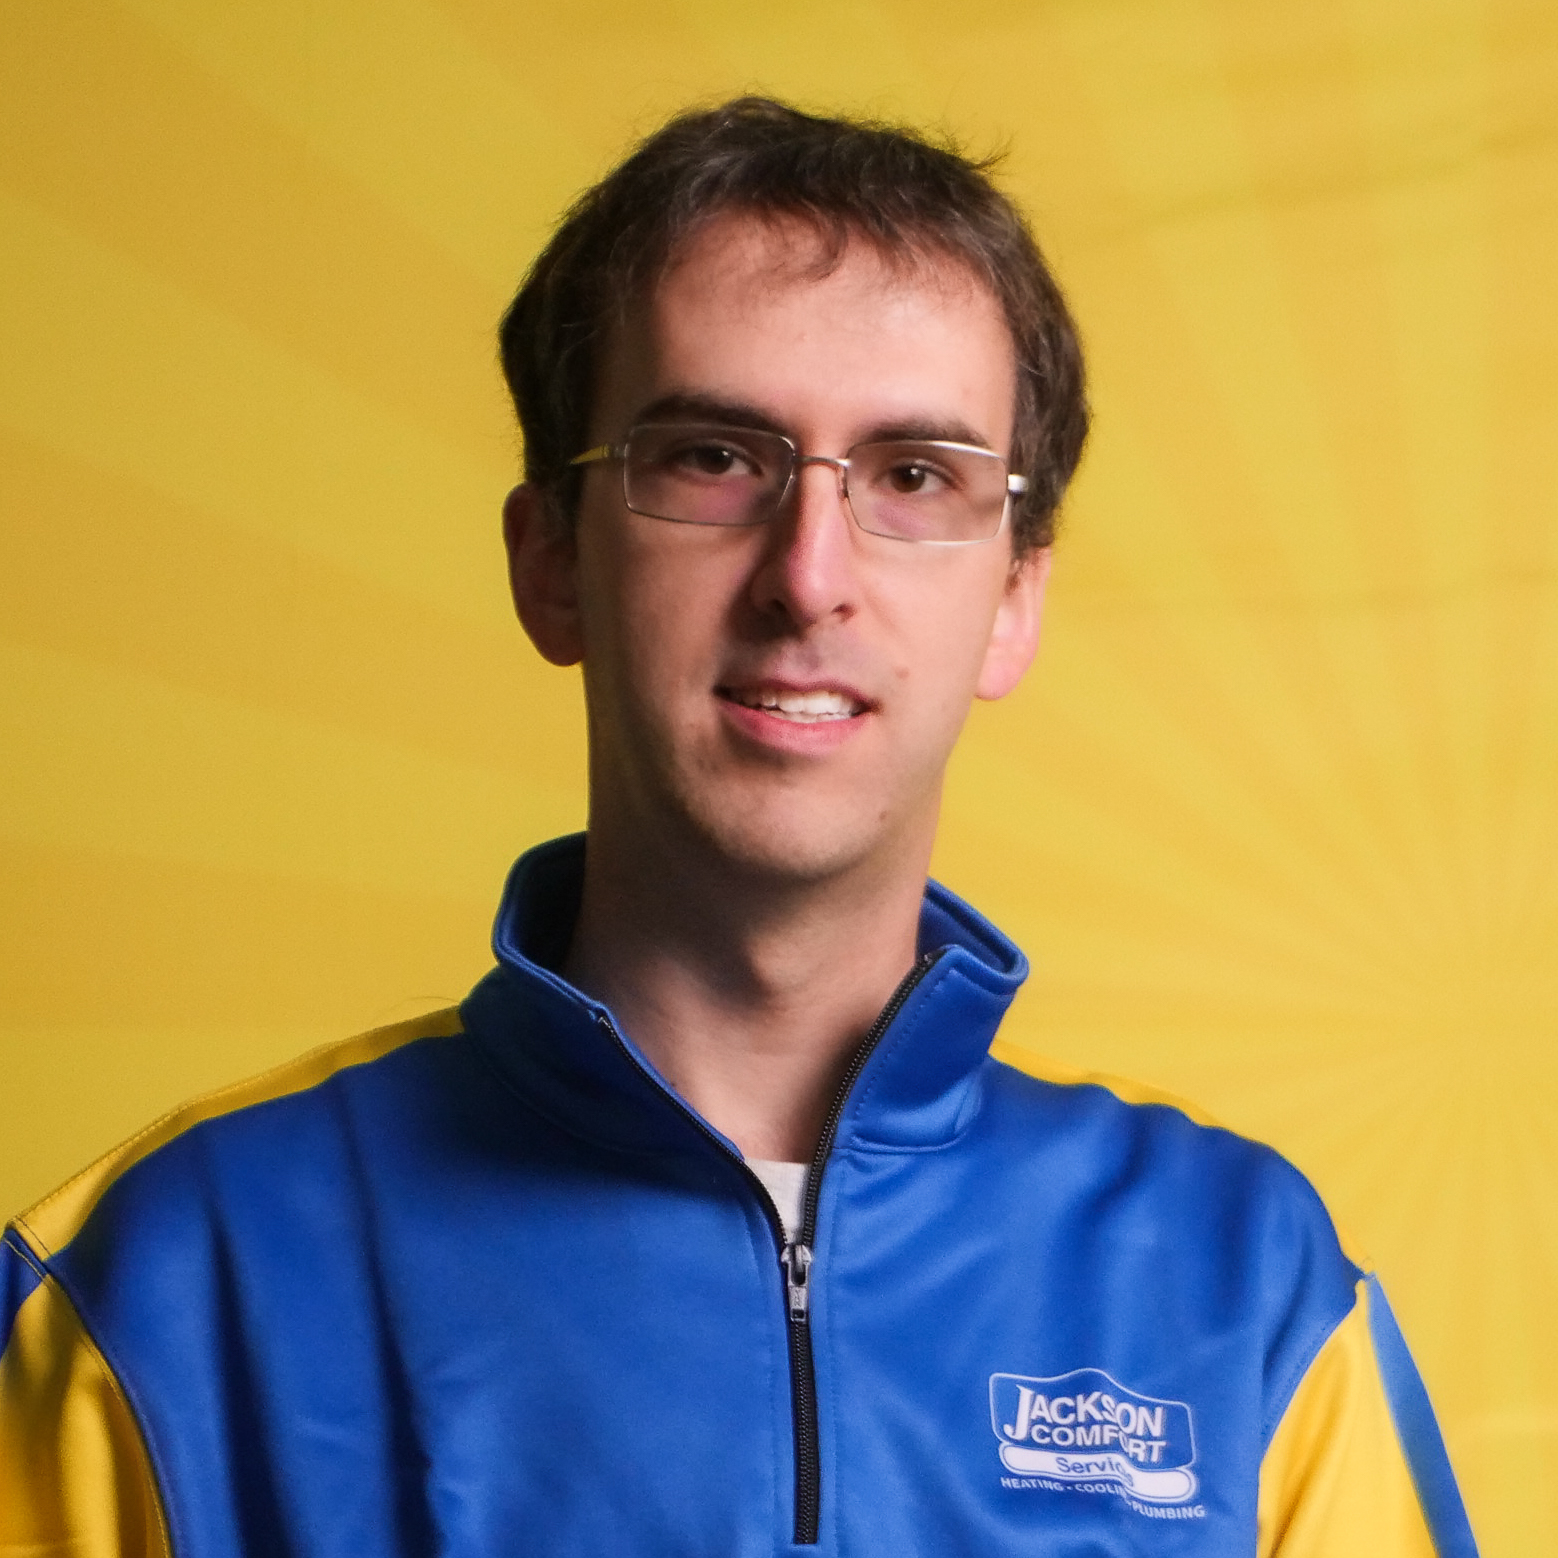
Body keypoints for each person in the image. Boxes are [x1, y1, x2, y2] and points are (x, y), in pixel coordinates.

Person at [0, 98, 1475, 1556]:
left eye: (911, 476)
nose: (808, 575)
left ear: (1012, 599)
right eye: (713, 457)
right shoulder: (157, 1285)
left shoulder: (1250, 1292)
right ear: (552, 562)